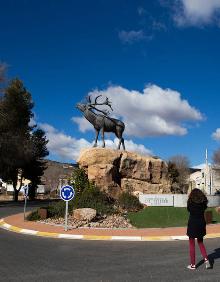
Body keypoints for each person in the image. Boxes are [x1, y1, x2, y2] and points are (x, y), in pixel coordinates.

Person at [186, 188, 211, 270]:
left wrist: (189, 199)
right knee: (200, 243)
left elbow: (188, 209)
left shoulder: (190, 203)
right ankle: (206, 259)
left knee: (192, 245)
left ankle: (193, 265)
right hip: (201, 224)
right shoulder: (203, 203)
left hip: (193, 224)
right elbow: (205, 206)